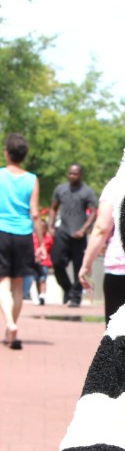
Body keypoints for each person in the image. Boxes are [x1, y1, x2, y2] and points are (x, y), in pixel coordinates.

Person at [79, 176, 125, 323]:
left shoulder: (118, 183)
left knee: (117, 332)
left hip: (122, 265)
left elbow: (102, 227)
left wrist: (86, 265)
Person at [0, 132, 44, 349]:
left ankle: (9, 323)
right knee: (18, 286)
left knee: (2, 283)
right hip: (23, 234)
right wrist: (42, 243)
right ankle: (11, 331)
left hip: (2, 232)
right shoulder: (31, 179)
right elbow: (35, 214)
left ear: (6, 153)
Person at [48, 163, 97, 307]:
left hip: (79, 236)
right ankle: (68, 289)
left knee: (79, 267)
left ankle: (75, 297)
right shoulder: (60, 189)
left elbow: (93, 212)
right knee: (56, 262)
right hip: (62, 232)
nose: (72, 176)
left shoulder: (87, 192)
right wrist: (51, 226)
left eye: (75, 174)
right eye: (70, 173)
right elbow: (52, 209)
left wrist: (83, 230)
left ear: (80, 175)